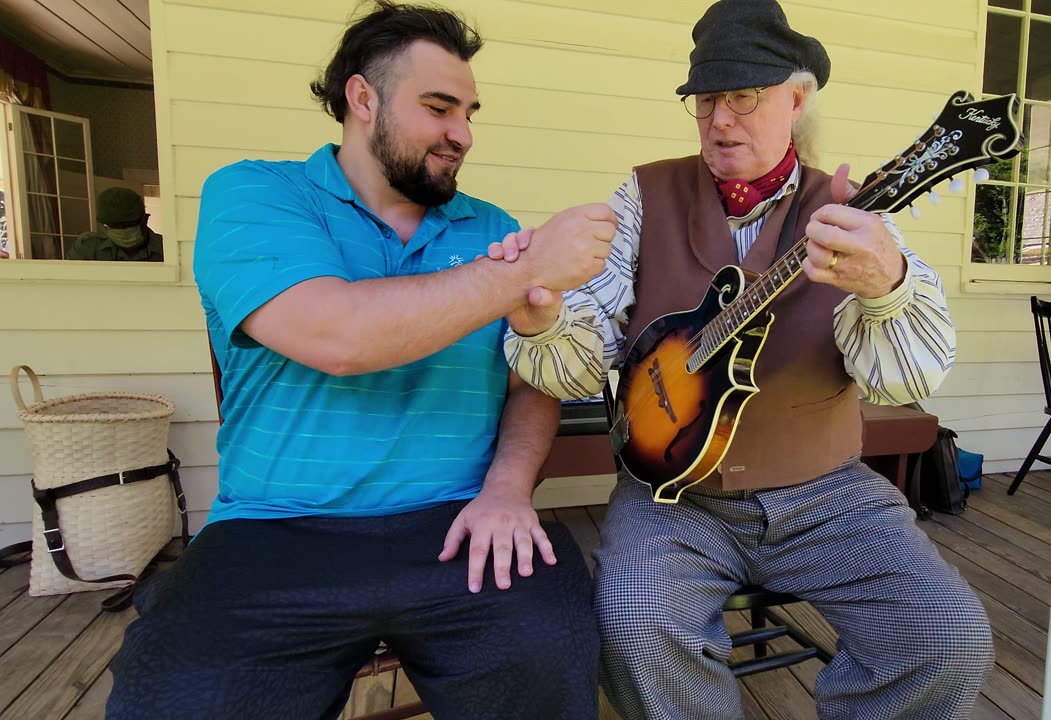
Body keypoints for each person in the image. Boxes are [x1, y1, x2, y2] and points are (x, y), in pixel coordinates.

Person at [105, 3, 615, 718]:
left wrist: (507, 487)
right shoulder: (255, 195)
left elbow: (531, 377)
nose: (462, 134)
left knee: (551, 664)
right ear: (362, 98)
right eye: (439, 108)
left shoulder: (493, 230)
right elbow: (338, 337)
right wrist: (519, 272)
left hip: (460, 523)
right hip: (272, 529)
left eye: (469, 112)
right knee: (181, 698)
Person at [501, 1, 994, 717]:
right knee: (634, 624)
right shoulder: (644, 197)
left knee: (945, 637)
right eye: (707, 101)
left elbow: (910, 378)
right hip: (674, 497)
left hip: (824, 492)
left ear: (795, 101)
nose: (720, 120)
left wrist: (884, 286)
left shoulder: (850, 214)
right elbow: (581, 356)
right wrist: (545, 320)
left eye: (743, 98)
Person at [66, 187, 164, 261]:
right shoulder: (88, 248)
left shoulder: (166, 249)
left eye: (129, 224)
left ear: (145, 219)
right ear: (106, 225)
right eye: (115, 225)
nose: (122, 230)